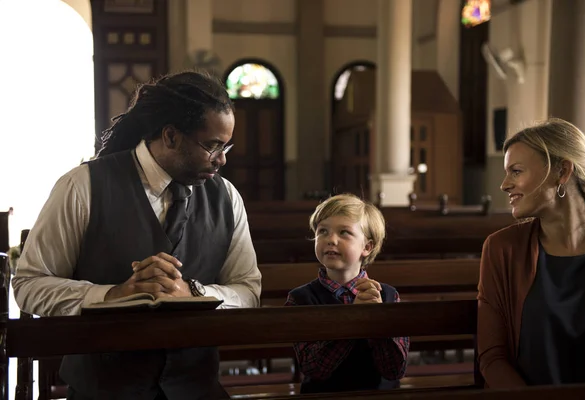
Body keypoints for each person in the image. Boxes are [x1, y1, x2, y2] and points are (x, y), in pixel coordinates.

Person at [12, 70, 262, 399]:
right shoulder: (82, 186)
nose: (222, 159)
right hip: (103, 391)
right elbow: (29, 285)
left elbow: (248, 291)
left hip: (197, 389)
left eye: (225, 146)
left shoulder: (227, 198)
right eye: (211, 146)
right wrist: (112, 295)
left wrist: (193, 293)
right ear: (171, 136)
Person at [478, 118, 585, 388]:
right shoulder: (502, 249)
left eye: (516, 171)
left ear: (562, 172)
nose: (504, 185)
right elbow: (492, 357)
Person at [284, 193, 409, 394]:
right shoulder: (301, 299)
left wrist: (378, 319)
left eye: (344, 232)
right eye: (323, 231)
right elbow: (314, 368)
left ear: (367, 247)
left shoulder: (387, 296)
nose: (331, 240)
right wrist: (354, 318)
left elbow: (394, 370)